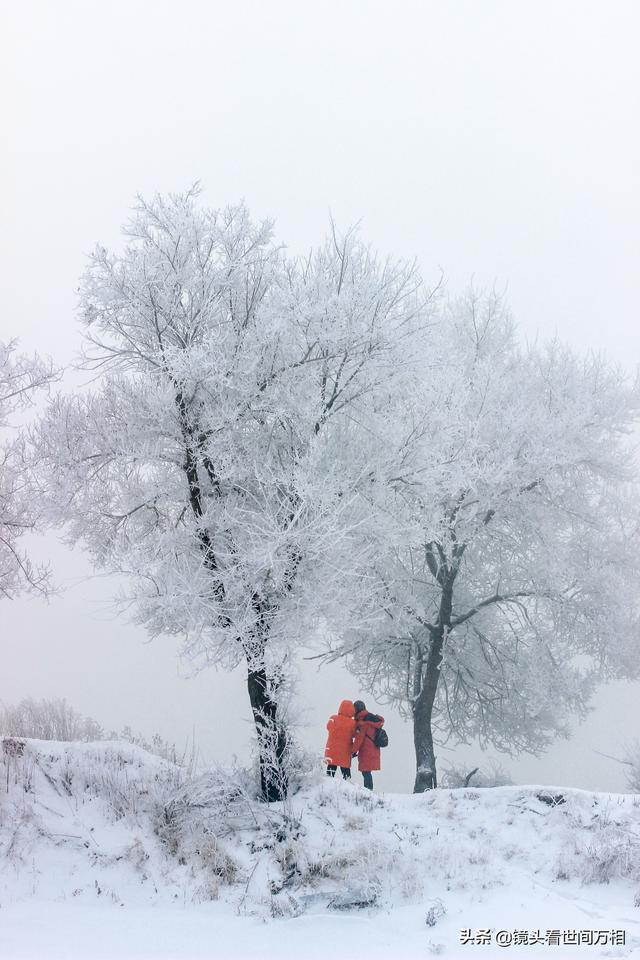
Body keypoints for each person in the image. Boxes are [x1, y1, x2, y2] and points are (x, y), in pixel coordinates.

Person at [352, 699, 384, 790]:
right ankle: (369, 790)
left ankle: (368, 791)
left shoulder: (363, 723)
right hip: (374, 749)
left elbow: (359, 739)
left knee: (366, 772)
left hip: (366, 751)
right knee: (366, 772)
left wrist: (353, 751)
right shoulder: (371, 718)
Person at [324, 699, 356, 779]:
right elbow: (355, 735)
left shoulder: (333, 718)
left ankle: (327, 789)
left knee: (330, 773)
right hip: (345, 752)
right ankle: (348, 789)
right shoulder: (353, 723)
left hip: (332, 750)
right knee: (346, 775)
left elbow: (328, 727)